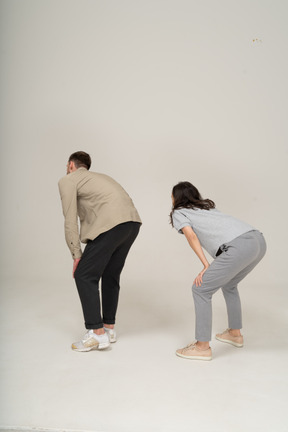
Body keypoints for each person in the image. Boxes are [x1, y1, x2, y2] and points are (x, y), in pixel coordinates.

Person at [170, 181, 266, 361]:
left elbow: (191, 236)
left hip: (239, 246)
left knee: (200, 289)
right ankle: (235, 334)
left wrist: (206, 265)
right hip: (258, 240)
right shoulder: (206, 208)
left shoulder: (179, 212)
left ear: (176, 198)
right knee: (230, 284)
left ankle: (202, 347)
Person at [58, 151, 141, 352]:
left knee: (84, 275)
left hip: (111, 224)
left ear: (71, 165)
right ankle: (108, 328)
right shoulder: (101, 178)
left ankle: (96, 333)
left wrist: (76, 255)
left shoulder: (69, 180)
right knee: (111, 274)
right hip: (132, 223)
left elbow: (70, 219)